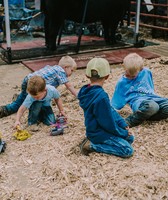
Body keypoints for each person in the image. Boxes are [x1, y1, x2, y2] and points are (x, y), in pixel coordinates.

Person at [78, 57, 134, 158]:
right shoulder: (101, 96)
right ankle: (91, 146)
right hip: (100, 133)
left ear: (87, 75)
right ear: (107, 76)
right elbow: (107, 123)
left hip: (95, 130)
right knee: (127, 150)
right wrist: (123, 133)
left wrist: (122, 123)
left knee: (130, 138)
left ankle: (93, 140)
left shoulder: (85, 91)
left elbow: (110, 110)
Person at [0, 55, 78, 118]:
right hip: (34, 84)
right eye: (71, 70)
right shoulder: (60, 71)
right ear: (65, 67)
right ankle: (6, 110)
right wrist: (77, 95)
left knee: (25, 97)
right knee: (26, 102)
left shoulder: (52, 68)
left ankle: (17, 100)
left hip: (29, 80)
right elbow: (69, 86)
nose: (71, 73)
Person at [111, 53, 168, 127]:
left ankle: (146, 115)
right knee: (152, 106)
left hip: (153, 98)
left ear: (141, 69)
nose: (130, 77)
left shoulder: (146, 72)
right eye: (128, 74)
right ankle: (129, 121)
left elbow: (150, 86)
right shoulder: (122, 83)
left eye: (133, 75)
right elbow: (115, 103)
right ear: (124, 67)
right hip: (139, 102)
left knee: (159, 106)